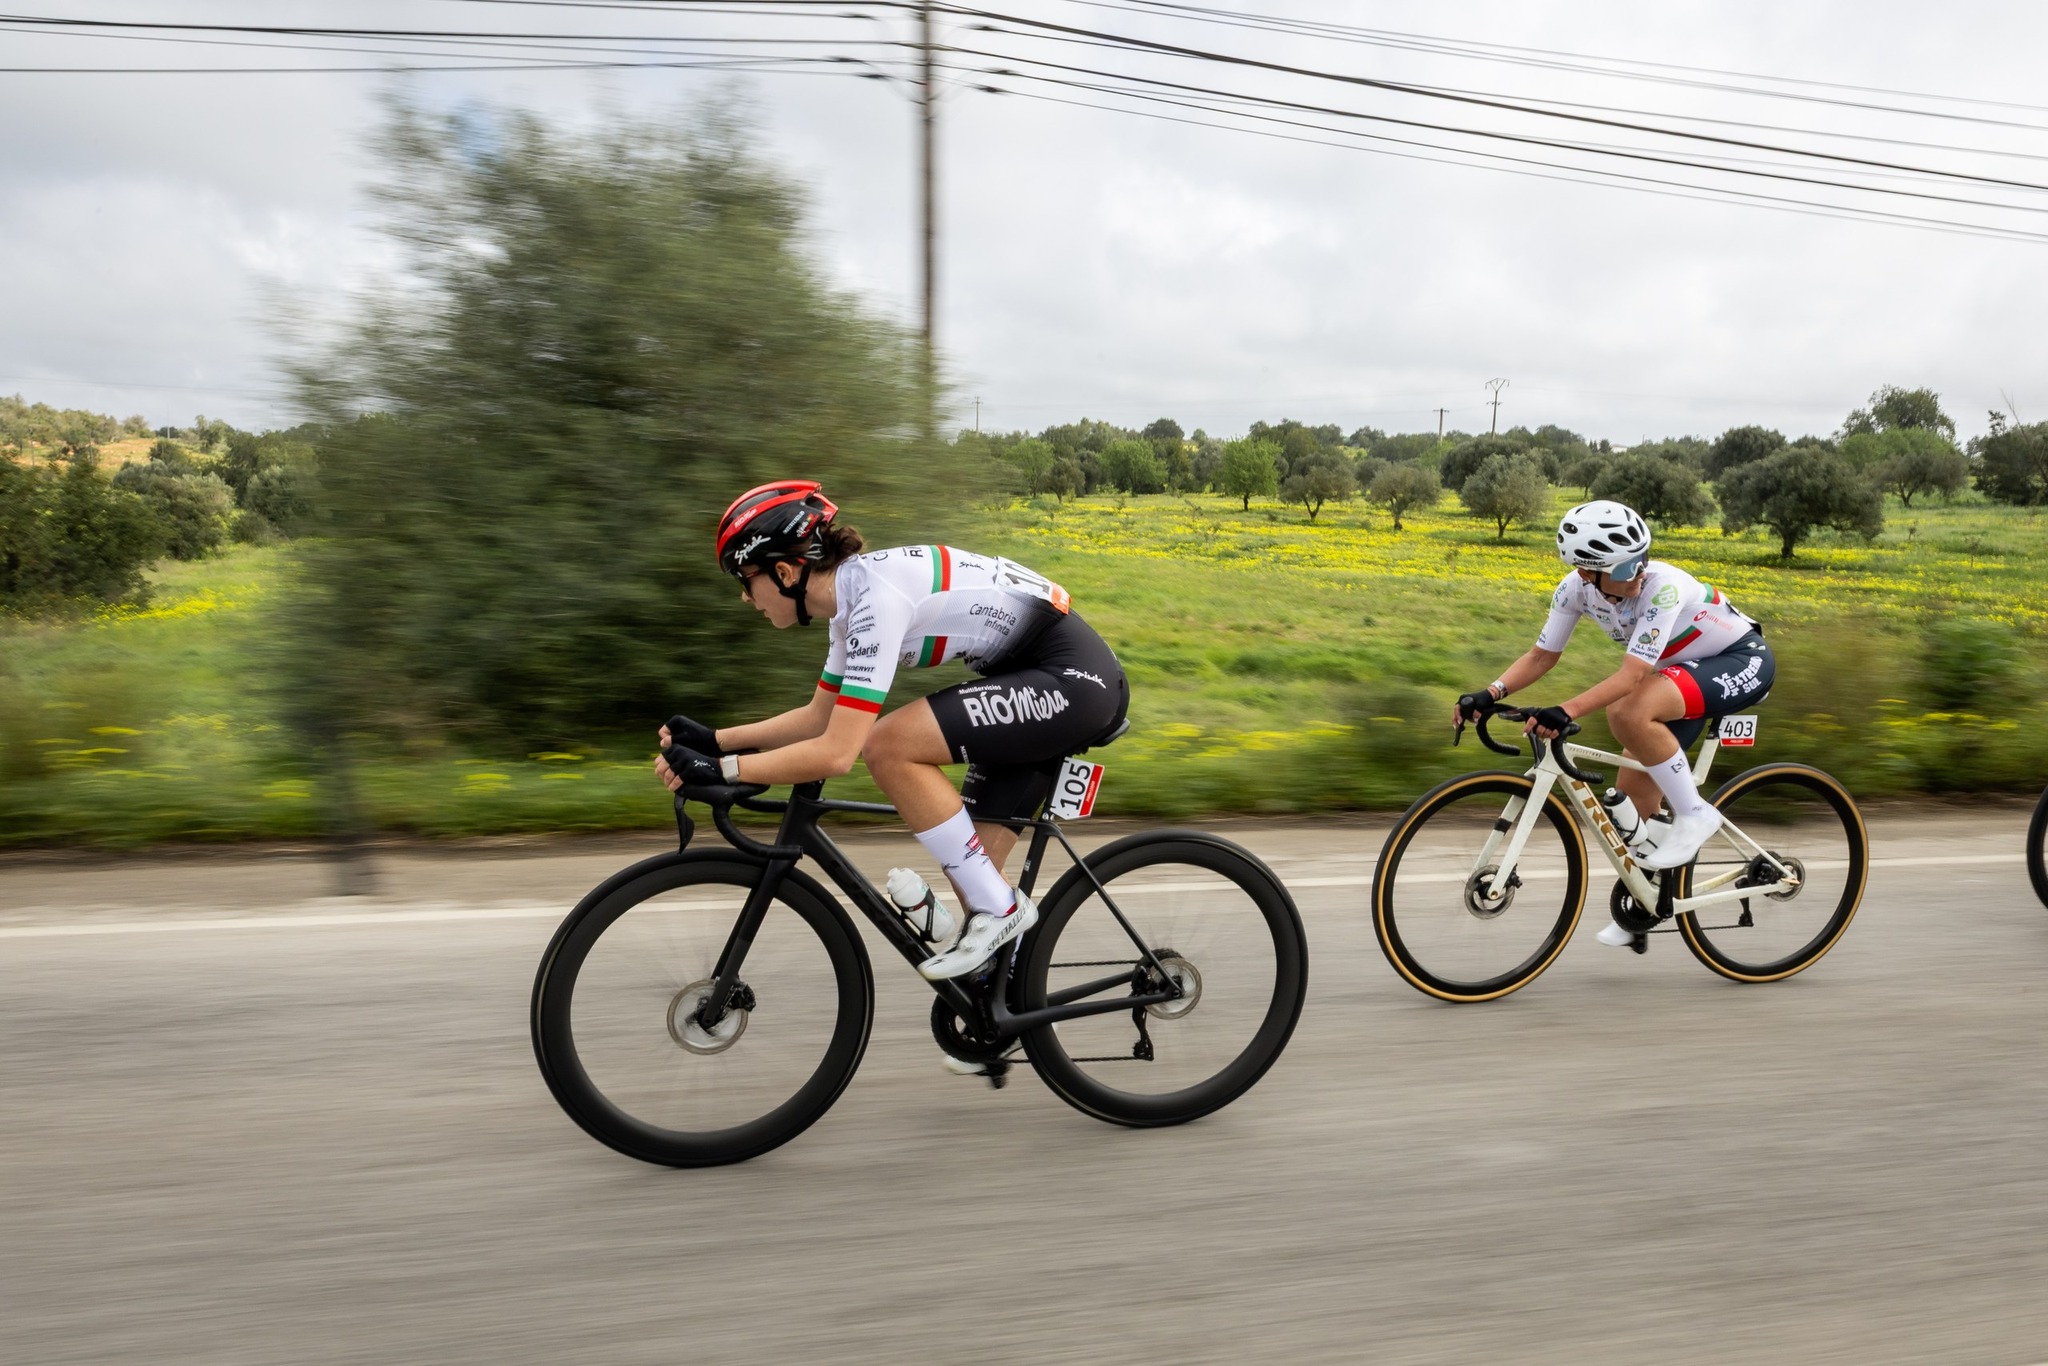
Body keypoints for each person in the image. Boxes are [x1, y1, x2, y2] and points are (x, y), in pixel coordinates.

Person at [658, 480, 1129, 993]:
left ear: (786, 572)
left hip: (1074, 682)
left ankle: (1002, 910)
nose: (746, 597)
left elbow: (838, 753)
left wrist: (725, 771)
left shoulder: (875, 601)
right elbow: (821, 717)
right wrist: (717, 741)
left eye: (745, 581)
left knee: (887, 746)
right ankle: (998, 1022)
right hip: (1032, 680)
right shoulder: (849, 603)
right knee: (972, 878)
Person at [1453, 499, 1774, 946]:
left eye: (1640, 561)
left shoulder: (1661, 588)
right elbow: (1543, 655)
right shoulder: (1574, 589)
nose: (1637, 574)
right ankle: (1645, 907)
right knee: (1633, 813)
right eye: (1624, 570)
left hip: (1738, 659)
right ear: (1588, 572)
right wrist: (1490, 693)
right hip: (1679, 674)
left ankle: (1697, 814)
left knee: (1627, 711)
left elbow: (1631, 677)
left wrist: (1565, 711)